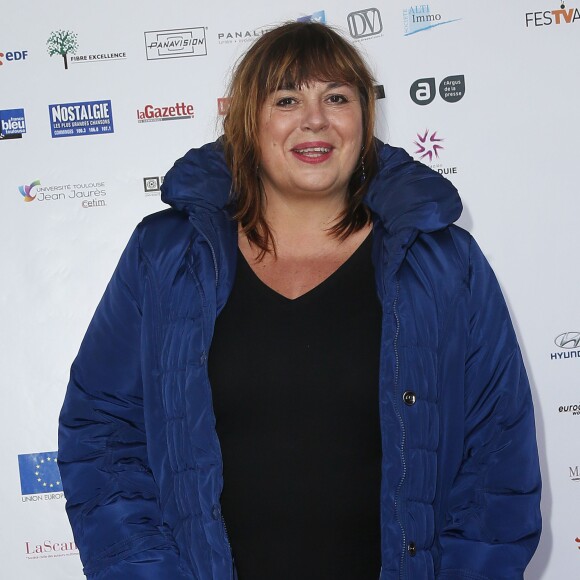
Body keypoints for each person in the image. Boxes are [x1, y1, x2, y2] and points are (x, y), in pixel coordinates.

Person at [58, 21, 541, 580]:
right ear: (247, 123)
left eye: (337, 97)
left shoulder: (442, 263)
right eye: (287, 99)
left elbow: (497, 454)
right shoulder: (167, 255)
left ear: (363, 119)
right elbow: (102, 432)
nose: (315, 118)